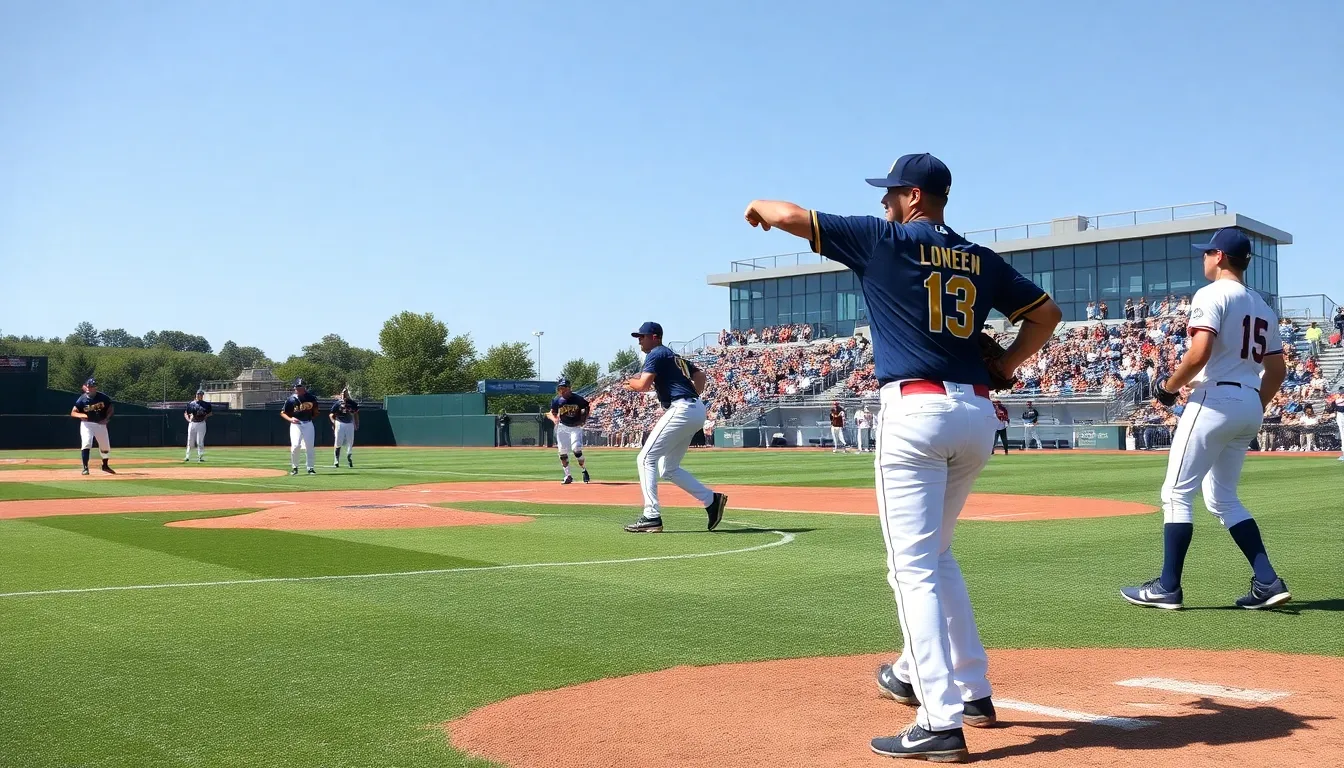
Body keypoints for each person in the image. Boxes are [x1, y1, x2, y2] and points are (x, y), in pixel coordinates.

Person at [745, 152, 1061, 761]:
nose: (883, 202)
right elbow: (1046, 316)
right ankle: (972, 690)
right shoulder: (980, 258)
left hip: (914, 413)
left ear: (915, 196)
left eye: (891, 192)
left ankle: (939, 719)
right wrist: (1008, 363)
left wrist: (757, 207)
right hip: (975, 413)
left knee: (910, 568)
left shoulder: (883, 239)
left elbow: (786, 215)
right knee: (937, 556)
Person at [1122, 228, 1290, 611]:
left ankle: (1167, 587)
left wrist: (1166, 387)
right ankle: (1267, 581)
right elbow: (1277, 371)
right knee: (1223, 498)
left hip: (1215, 398)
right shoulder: (1263, 306)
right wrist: (1253, 404)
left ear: (1221, 257)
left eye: (1207, 252)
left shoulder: (1211, 294)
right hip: (1248, 400)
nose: (1203, 259)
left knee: (1176, 494)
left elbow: (1198, 354)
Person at [622, 321, 728, 533]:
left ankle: (651, 516)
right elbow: (700, 376)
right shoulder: (672, 356)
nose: (639, 340)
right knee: (668, 469)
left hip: (682, 408)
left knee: (645, 459)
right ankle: (711, 500)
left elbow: (642, 385)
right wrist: (694, 397)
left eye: (642, 336)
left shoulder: (656, 353)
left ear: (654, 336)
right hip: (694, 408)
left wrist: (629, 383)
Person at [549, 376, 592, 484]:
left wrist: (584, 419)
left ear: (569, 388)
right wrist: (554, 419)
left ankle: (584, 469)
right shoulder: (557, 400)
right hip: (562, 427)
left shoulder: (577, 399)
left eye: (564, 388)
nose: (562, 390)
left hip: (575, 427)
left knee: (576, 449)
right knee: (562, 452)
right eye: (560, 388)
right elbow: (551, 412)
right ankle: (568, 476)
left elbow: (586, 407)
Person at [71, 378, 115, 475]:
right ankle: (85, 468)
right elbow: (73, 412)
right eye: (88, 386)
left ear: (95, 388)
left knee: (105, 446)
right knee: (86, 443)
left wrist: (107, 419)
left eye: (91, 387)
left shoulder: (103, 398)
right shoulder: (82, 399)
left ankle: (105, 465)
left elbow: (111, 408)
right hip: (87, 424)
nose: (89, 388)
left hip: (100, 424)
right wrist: (81, 415)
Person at [282, 378, 319, 475]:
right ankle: (295, 467)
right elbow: (283, 413)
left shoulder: (311, 398)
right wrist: (290, 419)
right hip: (295, 424)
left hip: (308, 423)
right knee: (295, 446)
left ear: (304, 387)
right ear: (294, 387)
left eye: (301, 386)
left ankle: (310, 468)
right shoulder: (291, 399)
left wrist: (311, 416)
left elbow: (316, 410)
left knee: (309, 446)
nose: (299, 388)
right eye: (297, 386)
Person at [330, 387, 359, 468]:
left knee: (350, 441)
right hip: (340, 423)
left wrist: (356, 423)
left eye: (345, 393)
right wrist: (334, 422)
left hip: (349, 423)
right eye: (342, 394)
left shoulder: (352, 403)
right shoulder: (337, 404)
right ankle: (336, 459)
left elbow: (356, 414)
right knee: (338, 441)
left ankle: (349, 456)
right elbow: (331, 414)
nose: (344, 396)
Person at [183, 389, 212, 462]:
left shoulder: (206, 404)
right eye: (198, 394)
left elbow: (210, 413)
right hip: (192, 423)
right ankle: (187, 456)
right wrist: (188, 420)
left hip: (201, 423)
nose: (199, 396)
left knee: (200, 441)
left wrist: (205, 416)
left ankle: (200, 457)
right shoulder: (191, 404)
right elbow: (186, 413)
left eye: (201, 394)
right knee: (190, 441)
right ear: (196, 395)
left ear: (202, 396)